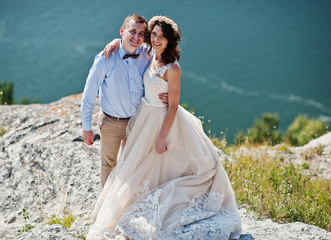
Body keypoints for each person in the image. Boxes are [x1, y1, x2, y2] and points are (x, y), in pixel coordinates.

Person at [86, 15, 241, 240]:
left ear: (170, 41)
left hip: (161, 120)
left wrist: (162, 137)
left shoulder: (173, 68)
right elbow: (130, 40)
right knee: (137, 164)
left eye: (162, 36)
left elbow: (174, 106)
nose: (156, 39)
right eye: (154, 34)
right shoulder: (149, 53)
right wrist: (113, 43)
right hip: (143, 118)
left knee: (160, 165)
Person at [81, 14, 167, 187]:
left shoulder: (147, 53)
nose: (136, 37)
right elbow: (89, 94)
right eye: (132, 31)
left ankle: (126, 198)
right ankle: (106, 205)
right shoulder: (104, 60)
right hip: (111, 122)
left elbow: (167, 65)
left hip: (138, 120)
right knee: (108, 164)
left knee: (134, 162)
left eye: (142, 34)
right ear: (122, 31)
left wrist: (168, 91)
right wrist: (86, 128)